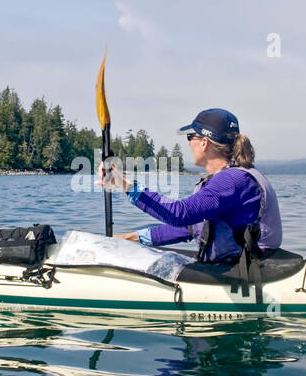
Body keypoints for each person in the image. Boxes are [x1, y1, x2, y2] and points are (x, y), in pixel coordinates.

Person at [100, 108, 282, 264]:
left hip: (247, 274)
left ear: (204, 142)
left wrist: (126, 185)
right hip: (238, 264)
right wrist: (129, 238)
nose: (188, 143)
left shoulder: (233, 180)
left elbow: (180, 214)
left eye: (190, 136)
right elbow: (190, 227)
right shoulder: (234, 176)